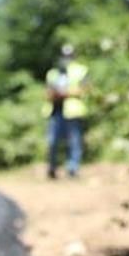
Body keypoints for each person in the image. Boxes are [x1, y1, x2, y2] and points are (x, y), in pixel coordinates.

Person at [44, 44, 90, 179]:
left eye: (69, 55)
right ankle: (52, 168)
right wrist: (53, 94)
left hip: (73, 111)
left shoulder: (81, 70)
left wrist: (66, 93)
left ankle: (72, 169)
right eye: (64, 55)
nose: (66, 58)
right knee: (52, 141)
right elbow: (47, 91)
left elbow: (86, 88)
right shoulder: (53, 73)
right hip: (55, 111)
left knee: (74, 142)